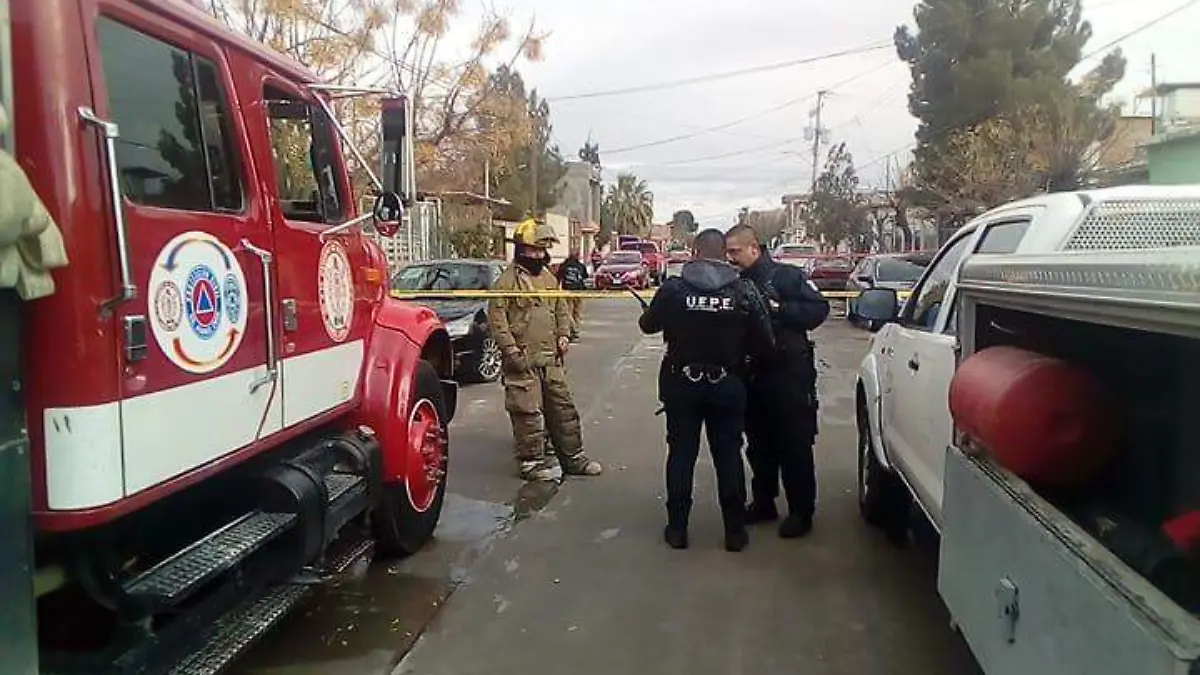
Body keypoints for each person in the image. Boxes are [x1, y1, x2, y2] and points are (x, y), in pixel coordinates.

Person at [638, 228, 775, 552]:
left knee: (681, 455)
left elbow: (647, 325)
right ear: (724, 254)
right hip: (727, 384)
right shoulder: (744, 291)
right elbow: (766, 344)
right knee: (728, 454)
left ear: (694, 253)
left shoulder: (673, 289)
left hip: (681, 384)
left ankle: (677, 529)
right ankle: (735, 532)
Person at [725, 225, 830, 539]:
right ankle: (763, 502)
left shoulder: (787, 277)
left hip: (789, 375)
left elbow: (818, 309)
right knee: (759, 445)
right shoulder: (734, 282)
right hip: (752, 375)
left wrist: (780, 310)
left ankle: (801, 511)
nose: (730, 258)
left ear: (754, 248)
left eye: (735, 252)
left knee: (795, 444)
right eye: (727, 253)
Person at [488, 218, 604, 482]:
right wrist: (512, 353)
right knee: (527, 413)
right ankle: (531, 464)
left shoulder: (550, 279)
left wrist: (564, 334)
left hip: (551, 360)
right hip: (522, 361)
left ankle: (574, 459)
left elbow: (561, 309)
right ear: (520, 249)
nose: (538, 255)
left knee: (563, 410)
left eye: (542, 250)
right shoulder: (506, 283)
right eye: (533, 250)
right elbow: (498, 323)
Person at [555, 248, 589, 341]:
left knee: (569, 312)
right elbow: (585, 276)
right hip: (578, 291)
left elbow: (558, 277)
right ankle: (574, 330)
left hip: (569, 290)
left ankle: (573, 330)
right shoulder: (581, 266)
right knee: (576, 313)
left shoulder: (564, 266)